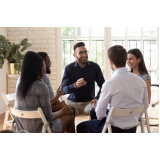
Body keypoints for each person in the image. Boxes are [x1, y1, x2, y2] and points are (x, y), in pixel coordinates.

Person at [77, 45, 148, 133]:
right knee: (93, 113)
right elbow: (145, 104)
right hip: (132, 128)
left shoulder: (109, 84)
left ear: (110, 61)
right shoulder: (141, 81)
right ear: (125, 60)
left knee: (80, 126)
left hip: (112, 129)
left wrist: (104, 119)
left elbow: (99, 113)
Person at [14, 51, 75, 133]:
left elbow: (36, 106)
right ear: (38, 68)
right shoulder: (41, 86)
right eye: (44, 66)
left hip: (21, 129)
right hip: (40, 129)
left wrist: (56, 98)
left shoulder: (20, 85)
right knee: (70, 116)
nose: (45, 69)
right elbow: (49, 117)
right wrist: (62, 111)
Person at [62, 42, 105, 115]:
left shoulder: (95, 67)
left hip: (90, 103)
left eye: (85, 52)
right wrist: (75, 85)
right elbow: (64, 89)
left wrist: (97, 98)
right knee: (67, 112)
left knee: (98, 110)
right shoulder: (69, 68)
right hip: (73, 103)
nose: (84, 55)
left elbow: (104, 86)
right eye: (81, 53)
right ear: (74, 55)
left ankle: (94, 126)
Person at [37, 52, 76, 117]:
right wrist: (58, 107)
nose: (50, 65)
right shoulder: (38, 85)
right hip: (42, 113)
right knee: (70, 112)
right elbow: (41, 107)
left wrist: (61, 104)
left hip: (47, 107)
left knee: (71, 109)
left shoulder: (45, 77)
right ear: (42, 64)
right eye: (49, 63)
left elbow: (51, 98)